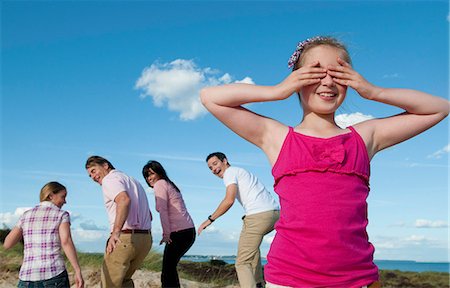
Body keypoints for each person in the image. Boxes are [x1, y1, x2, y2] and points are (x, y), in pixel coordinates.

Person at [200, 36, 450, 287]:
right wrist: (277, 91)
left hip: (356, 278)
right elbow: (211, 96)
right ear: (298, 79)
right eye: (316, 73)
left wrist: (374, 92)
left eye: (339, 74)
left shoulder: (364, 138)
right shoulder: (277, 137)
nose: (328, 82)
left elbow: (439, 107)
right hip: (289, 278)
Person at [198, 152, 280, 288]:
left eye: (215, 164)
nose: (214, 169)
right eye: (210, 168)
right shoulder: (240, 171)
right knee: (252, 252)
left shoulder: (230, 173)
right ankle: (259, 283)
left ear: (224, 161)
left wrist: (210, 219)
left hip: (258, 216)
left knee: (242, 263)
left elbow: (229, 200)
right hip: (274, 214)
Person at [85, 156, 153, 288]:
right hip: (145, 240)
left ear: (105, 165)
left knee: (109, 284)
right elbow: (149, 215)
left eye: (93, 171)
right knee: (125, 281)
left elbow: (124, 200)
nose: (93, 177)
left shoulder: (109, 179)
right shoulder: (133, 181)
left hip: (125, 238)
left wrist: (116, 232)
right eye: (90, 175)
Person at [3, 181, 84, 288]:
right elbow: (66, 242)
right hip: (53, 274)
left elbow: (7, 244)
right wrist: (77, 270)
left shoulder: (26, 215)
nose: (65, 201)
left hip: (27, 278)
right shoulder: (61, 215)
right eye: (63, 197)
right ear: (51, 196)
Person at [142, 160, 196, 288]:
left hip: (179, 232)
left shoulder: (160, 184)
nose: (149, 178)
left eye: (151, 174)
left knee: (167, 271)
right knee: (170, 268)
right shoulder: (169, 184)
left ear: (159, 172)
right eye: (146, 176)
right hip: (188, 231)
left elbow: (163, 211)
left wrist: (166, 234)